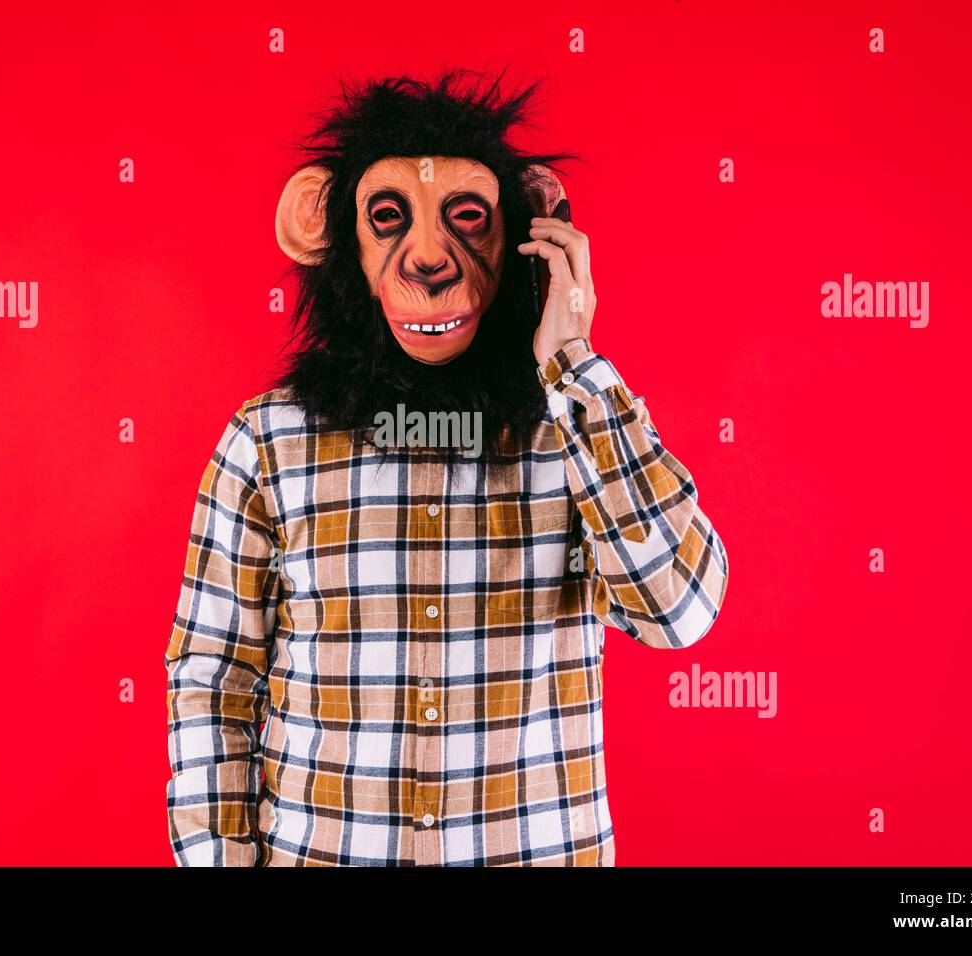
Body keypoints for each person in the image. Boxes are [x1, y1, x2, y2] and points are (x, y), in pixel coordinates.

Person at [165, 73, 729, 866]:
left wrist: (573, 362)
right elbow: (214, 680)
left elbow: (680, 612)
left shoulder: (572, 430)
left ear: (529, 234)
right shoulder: (269, 441)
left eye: (468, 218)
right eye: (388, 218)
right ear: (330, 236)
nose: (429, 258)